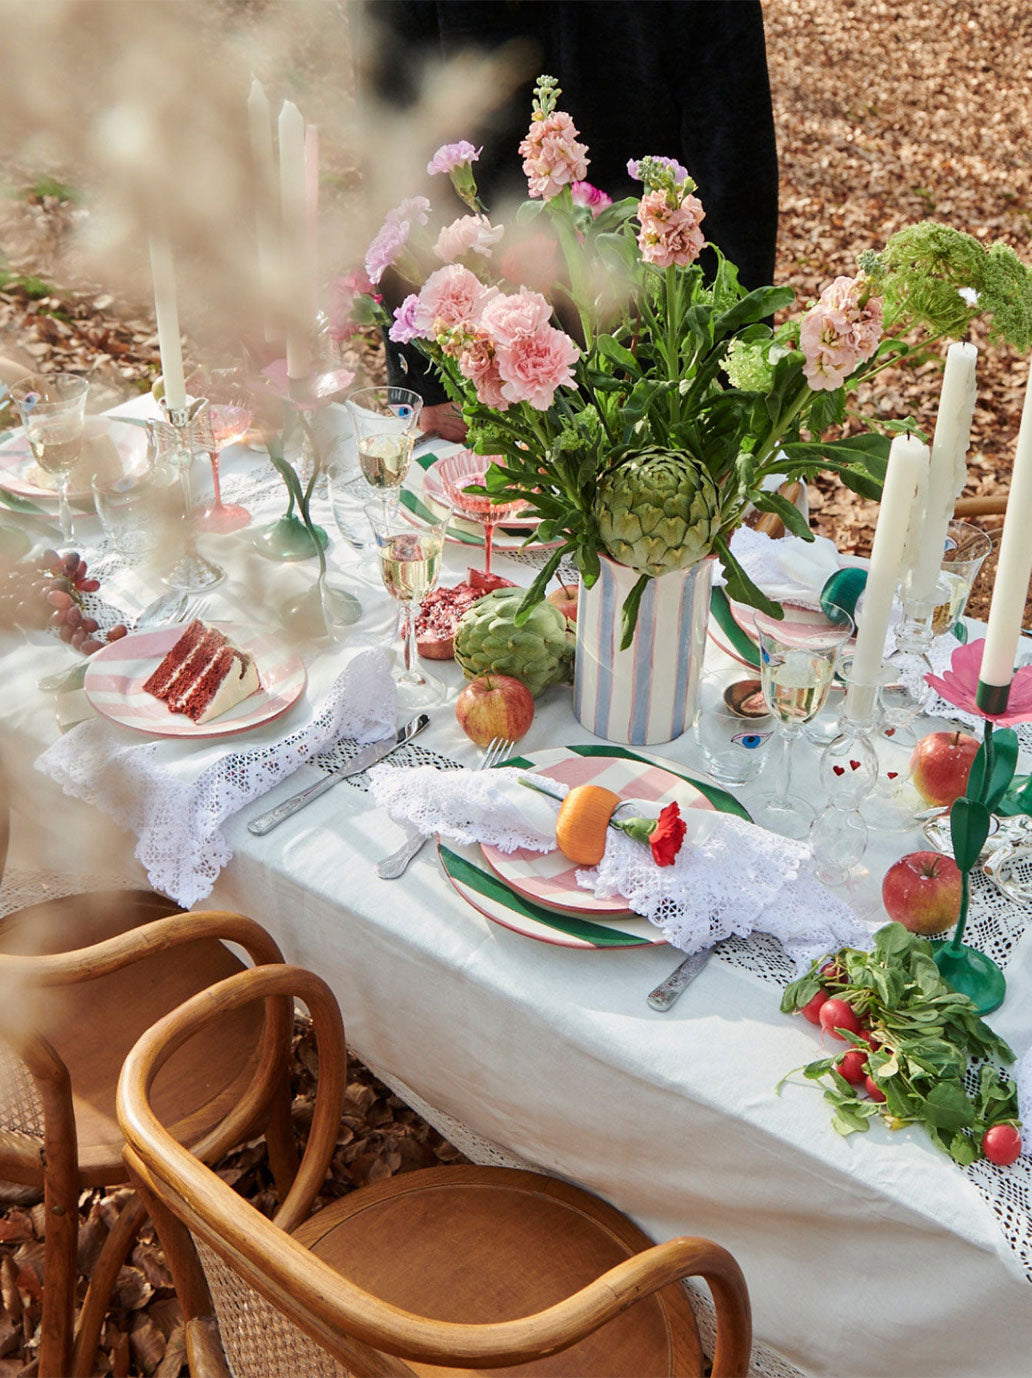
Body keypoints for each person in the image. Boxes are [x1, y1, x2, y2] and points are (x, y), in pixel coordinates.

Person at [361, 1, 779, 440]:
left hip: (658, 341)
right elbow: (392, 117)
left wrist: (734, 376)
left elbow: (733, 159)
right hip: (476, 343)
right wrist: (425, 376)